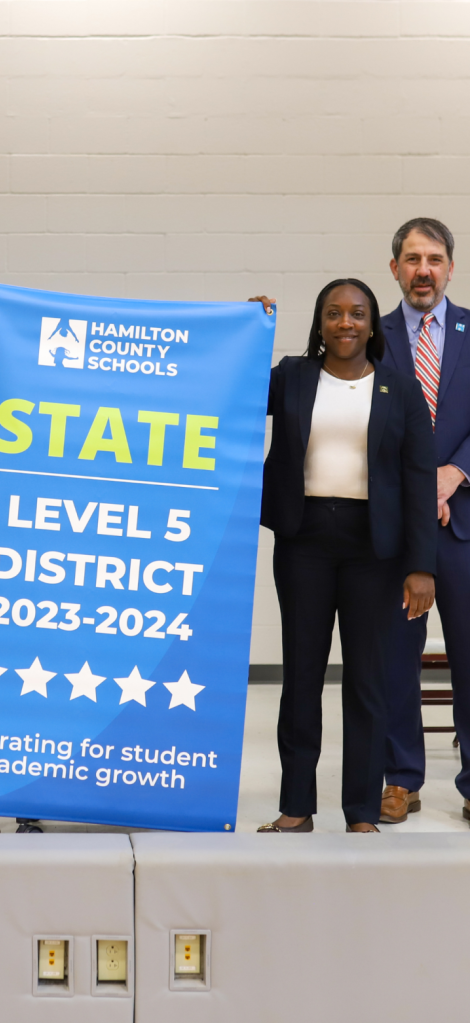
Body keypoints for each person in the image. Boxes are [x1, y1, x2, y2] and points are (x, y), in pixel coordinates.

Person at [254, 279, 437, 832]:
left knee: (365, 680)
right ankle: (296, 808)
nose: (345, 323)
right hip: (304, 541)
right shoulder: (292, 376)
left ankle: (361, 811)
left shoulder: (399, 388)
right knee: (302, 677)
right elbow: (232, 388)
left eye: (357, 313)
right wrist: (248, 328)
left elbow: (418, 478)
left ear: (372, 323)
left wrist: (421, 565)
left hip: (373, 550)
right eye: (333, 313)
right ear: (319, 323)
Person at [379, 218, 470, 826]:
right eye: (412, 259)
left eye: (434, 259)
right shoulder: (369, 333)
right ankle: (400, 781)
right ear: (394, 269)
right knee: (392, 657)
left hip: (463, 523)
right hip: (394, 529)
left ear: (450, 268)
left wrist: (455, 472)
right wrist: (416, 488)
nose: (423, 270)